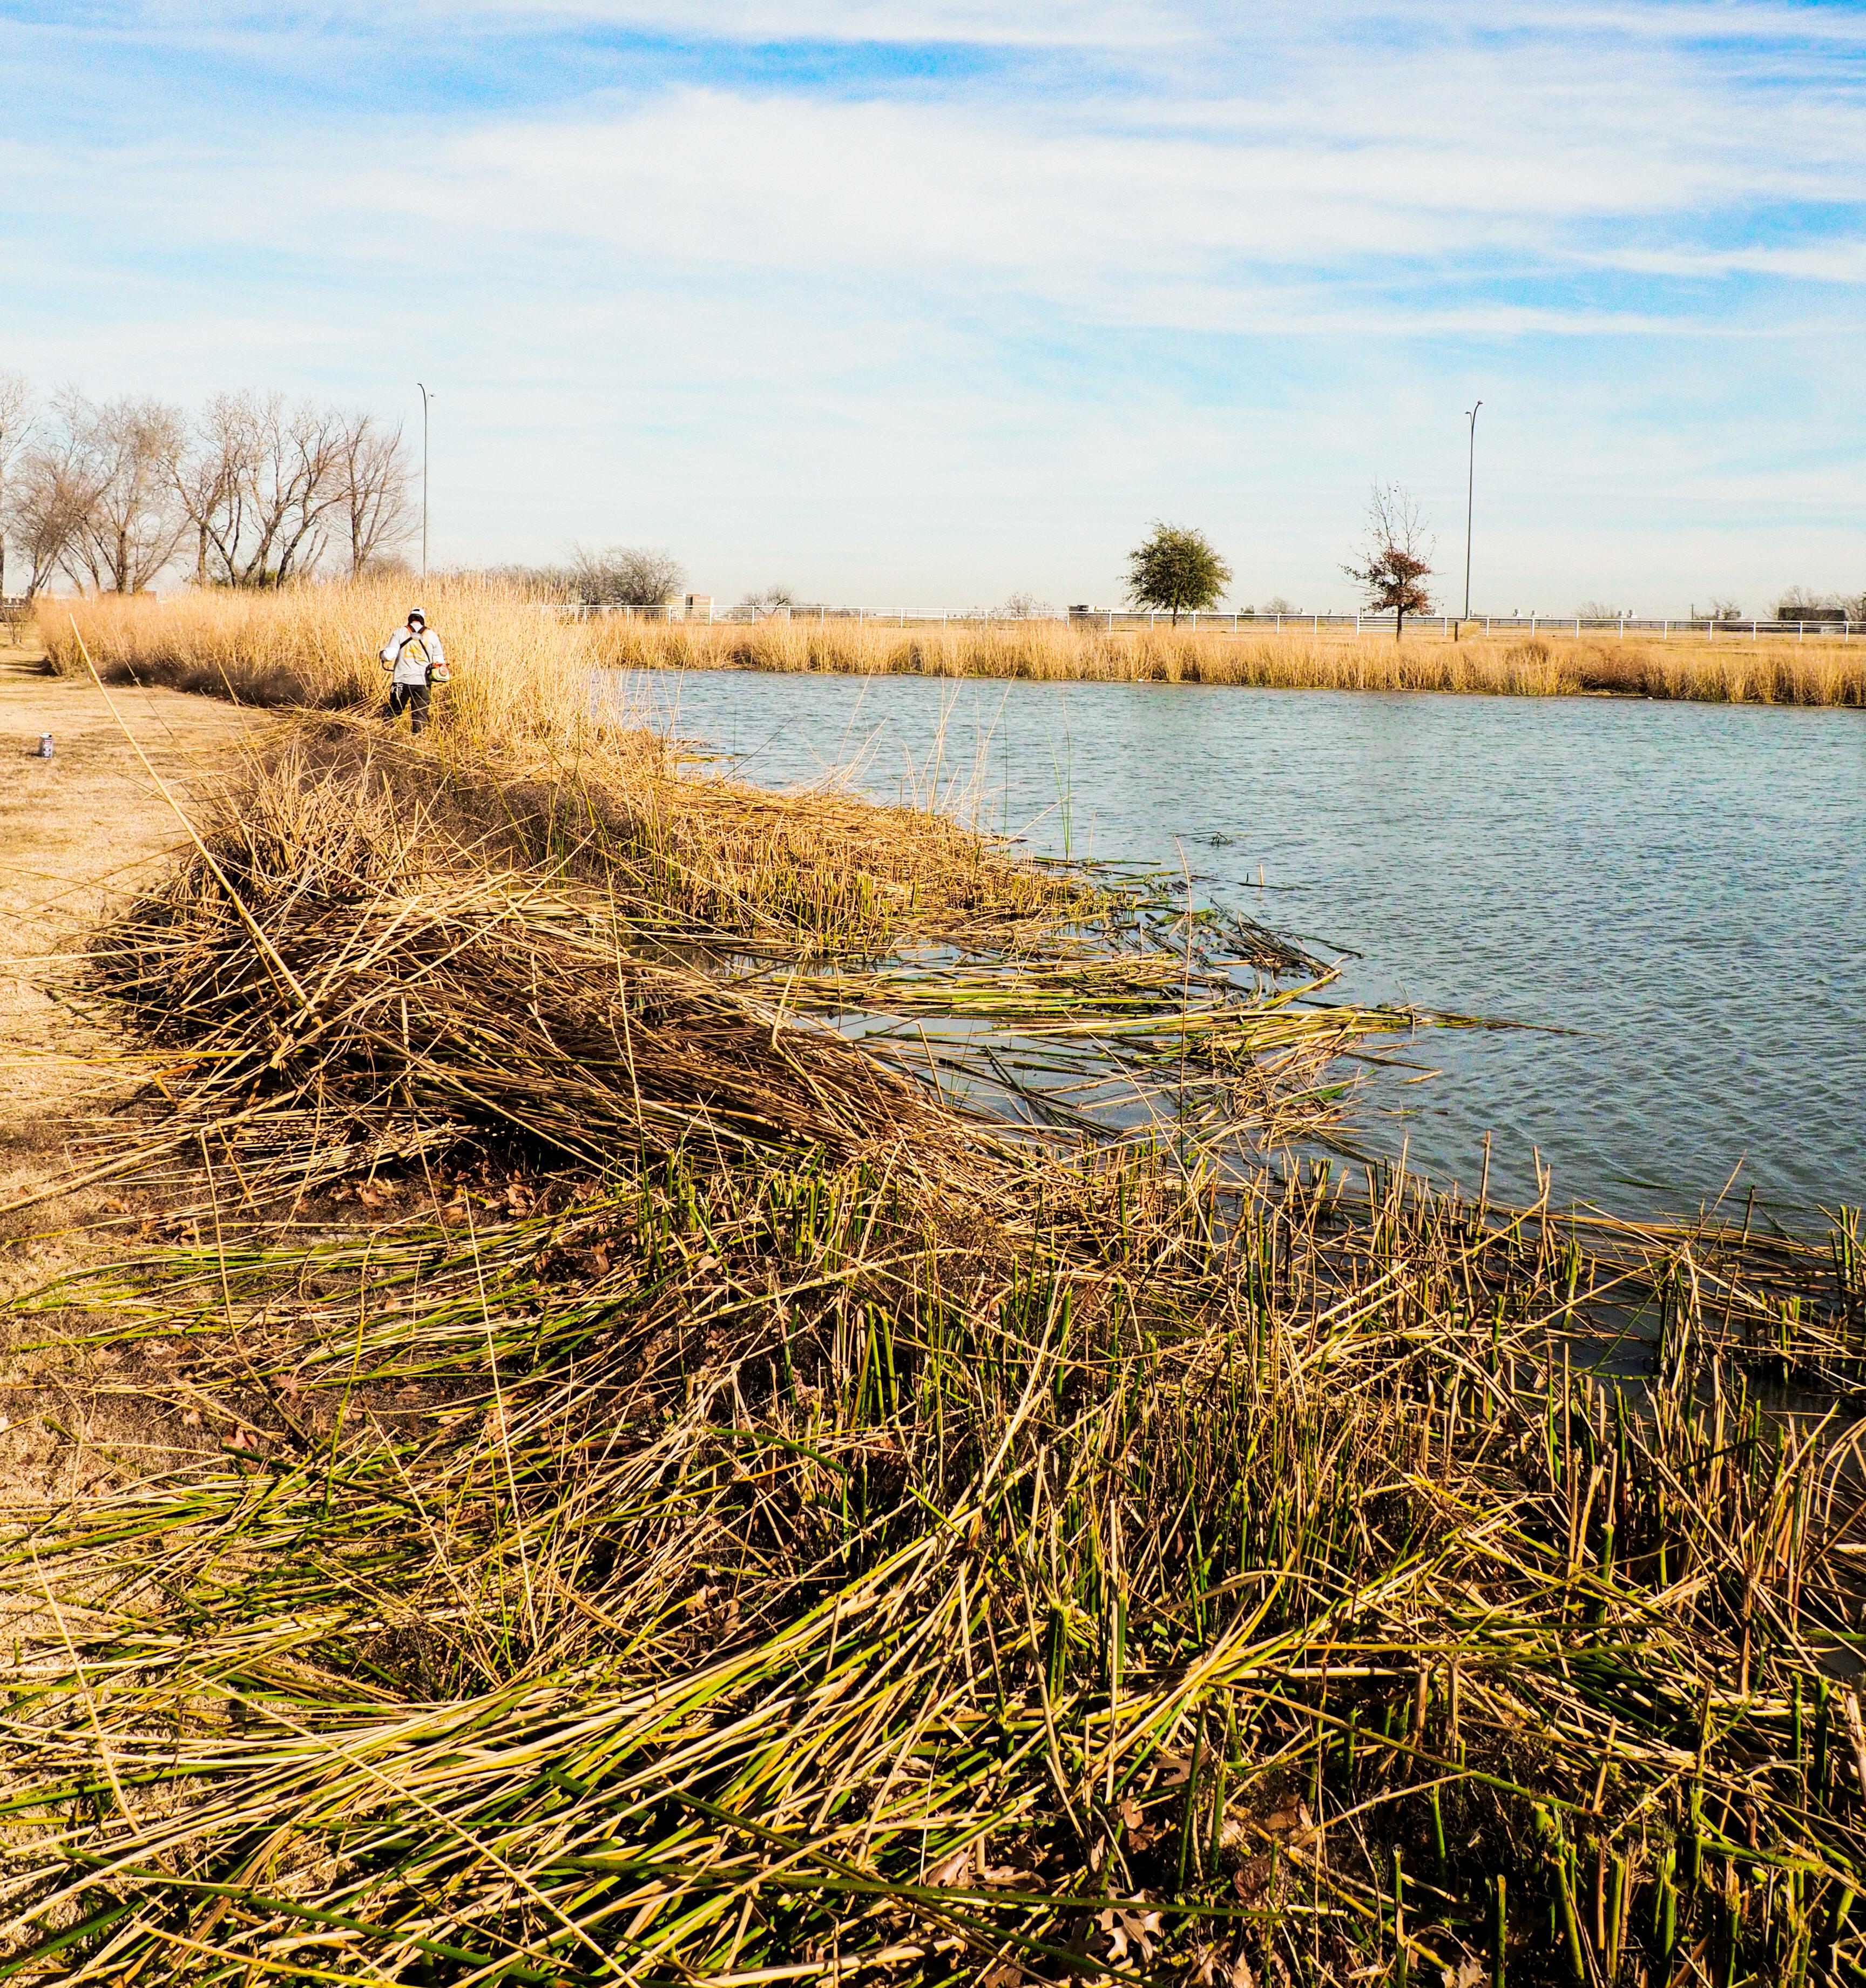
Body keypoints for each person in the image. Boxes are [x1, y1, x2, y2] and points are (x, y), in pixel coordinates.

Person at [380, 608, 447, 734]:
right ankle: (417, 745)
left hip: (401, 682)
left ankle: (386, 740)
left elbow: (389, 656)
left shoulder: (399, 632)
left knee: (393, 714)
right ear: (422, 620)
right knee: (420, 719)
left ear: (410, 619)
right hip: (423, 684)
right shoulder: (432, 636)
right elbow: (440, 662)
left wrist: (382, 655)